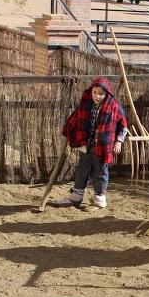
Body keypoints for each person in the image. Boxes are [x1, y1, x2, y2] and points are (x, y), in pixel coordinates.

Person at [54, 77, 128, 208]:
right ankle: (76, 197)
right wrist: (69, 129)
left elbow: (123, 126)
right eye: (95, 92)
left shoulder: (114, 106)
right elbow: (75, 118)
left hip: (104, 146)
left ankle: (99, 200)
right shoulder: (85, 104)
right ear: (91, 91)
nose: (97, 96)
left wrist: (119, 142)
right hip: (86, 144)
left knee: (101, 172)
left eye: (101, 93)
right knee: (83, 170)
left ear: (107, 93)